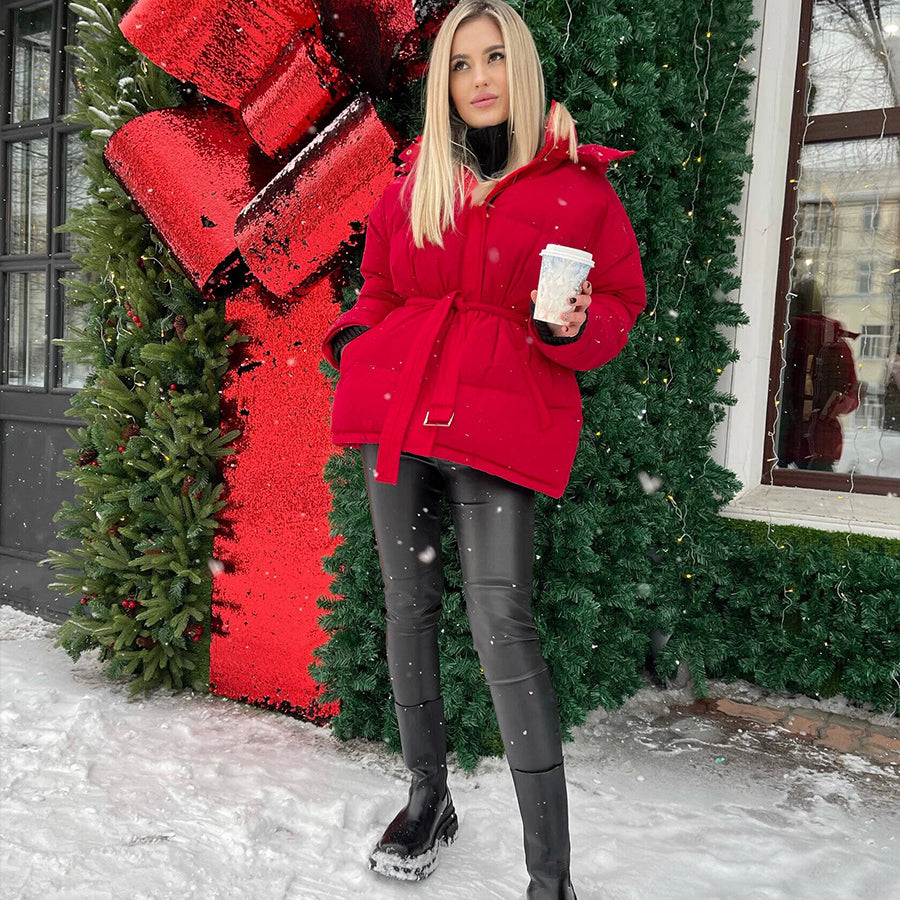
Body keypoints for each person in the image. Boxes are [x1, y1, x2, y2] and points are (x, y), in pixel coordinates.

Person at [321, 2, 646, 896]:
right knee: (407, 608)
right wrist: (353, 344)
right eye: (460, 63)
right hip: (398, 414)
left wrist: (580, 325)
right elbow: (377, 288)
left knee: (502, 624)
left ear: (523, 66)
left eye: (495, 56)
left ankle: (552, 879)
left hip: (497, 422)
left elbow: (619, 300)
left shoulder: (578, 188)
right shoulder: (417, 177)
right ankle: (429, 798)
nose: (478, 77)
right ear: (444, 81)